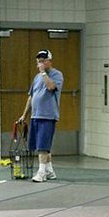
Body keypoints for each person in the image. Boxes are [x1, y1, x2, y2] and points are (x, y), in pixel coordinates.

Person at [18, 49, 64, 182]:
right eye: (39, 61)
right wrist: (24, 115)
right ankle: (49, 170)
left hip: (48, 116)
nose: (40, 63)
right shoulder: (37, 77)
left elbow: (51, 87)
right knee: (42, 144)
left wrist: (43, 72)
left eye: (43, 61)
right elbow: (31, 96)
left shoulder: (56, 75)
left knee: (42, 146)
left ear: (49, 61)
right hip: (35, 115)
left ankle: (41, 172)